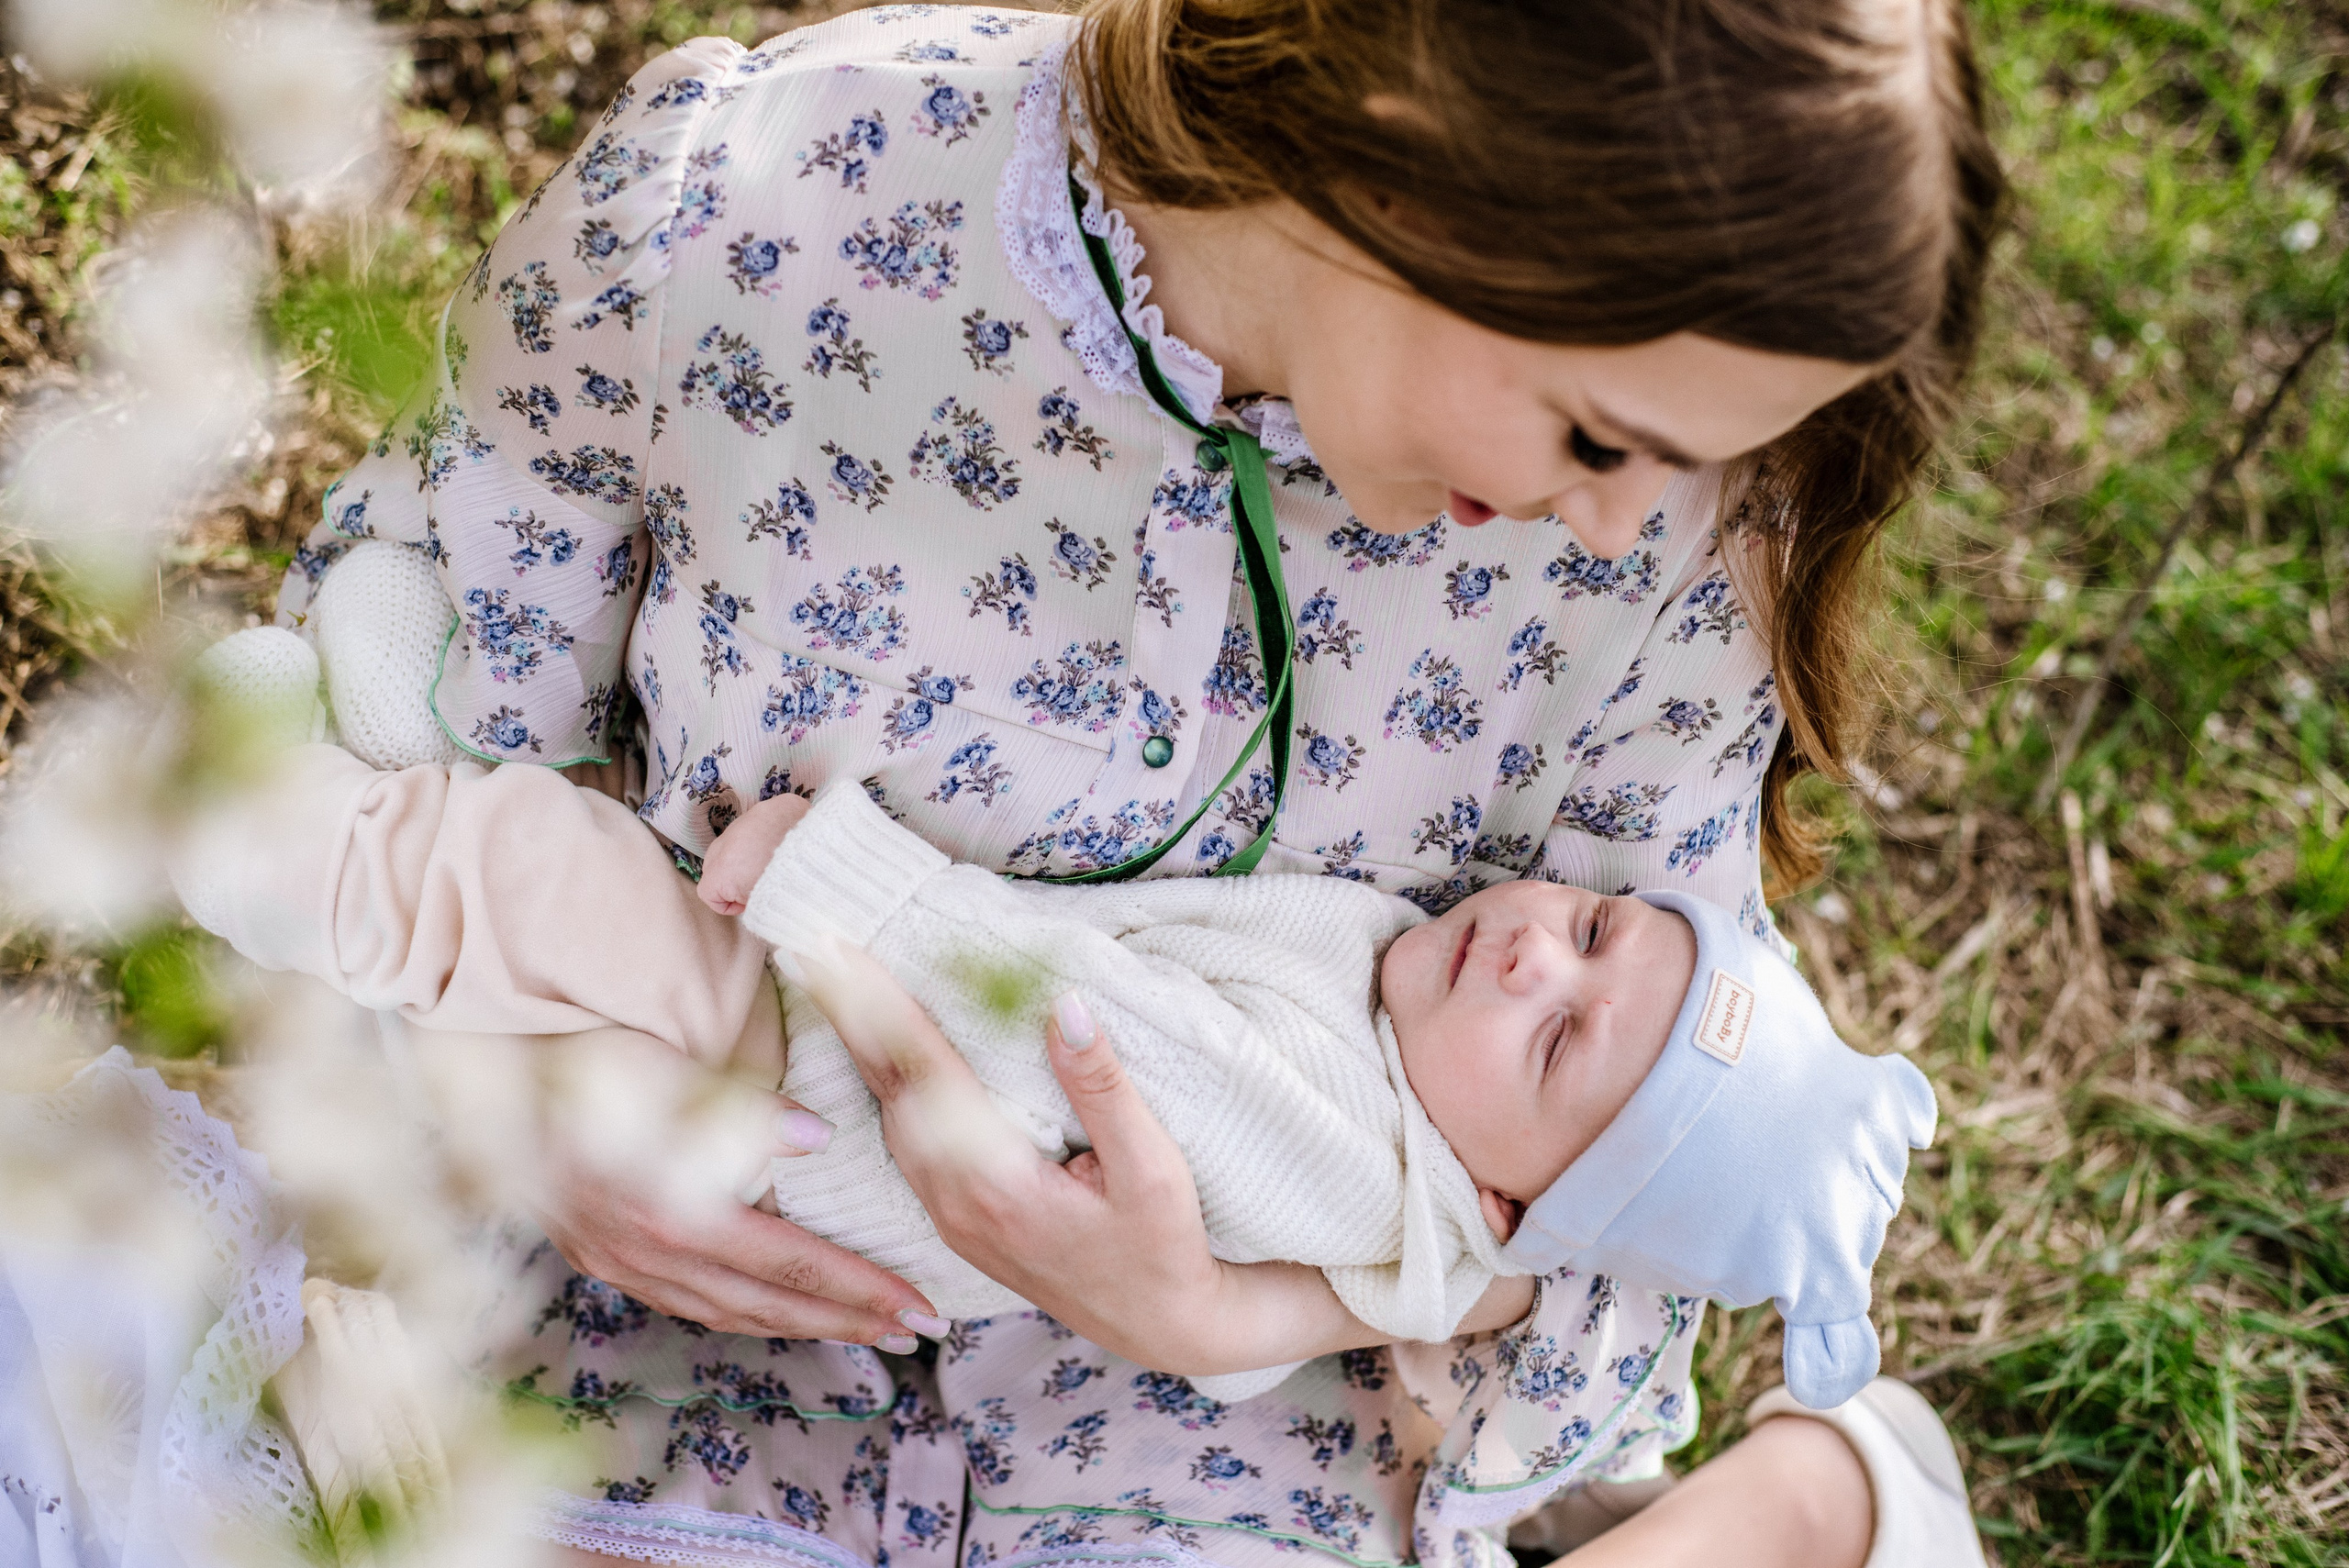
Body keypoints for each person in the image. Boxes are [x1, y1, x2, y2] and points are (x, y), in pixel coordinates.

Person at [260, 0, 2004, 1562]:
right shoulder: (752, 209)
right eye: (1593, 434)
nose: (1623, 522)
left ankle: (1810, 1497)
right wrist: (514, 1091)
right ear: (1417, 171)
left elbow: (1643, 1183)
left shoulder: (1681, 545)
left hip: (1212, 1448)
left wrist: (1233, 1316)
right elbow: (371, 711)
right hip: (660, 1315)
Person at [179, 739, 1937, 1408]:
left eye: (1558, 1038)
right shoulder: (1413, 1056)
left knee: (542, 877)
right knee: (531, 971)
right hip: (825, 1105)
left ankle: (284, 844)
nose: (1532, 949)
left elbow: (1087, 1016)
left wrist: (849, 882)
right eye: (1597, 928)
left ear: (1506, 1198)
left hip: (830, 1090)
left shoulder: (1344, 1139)